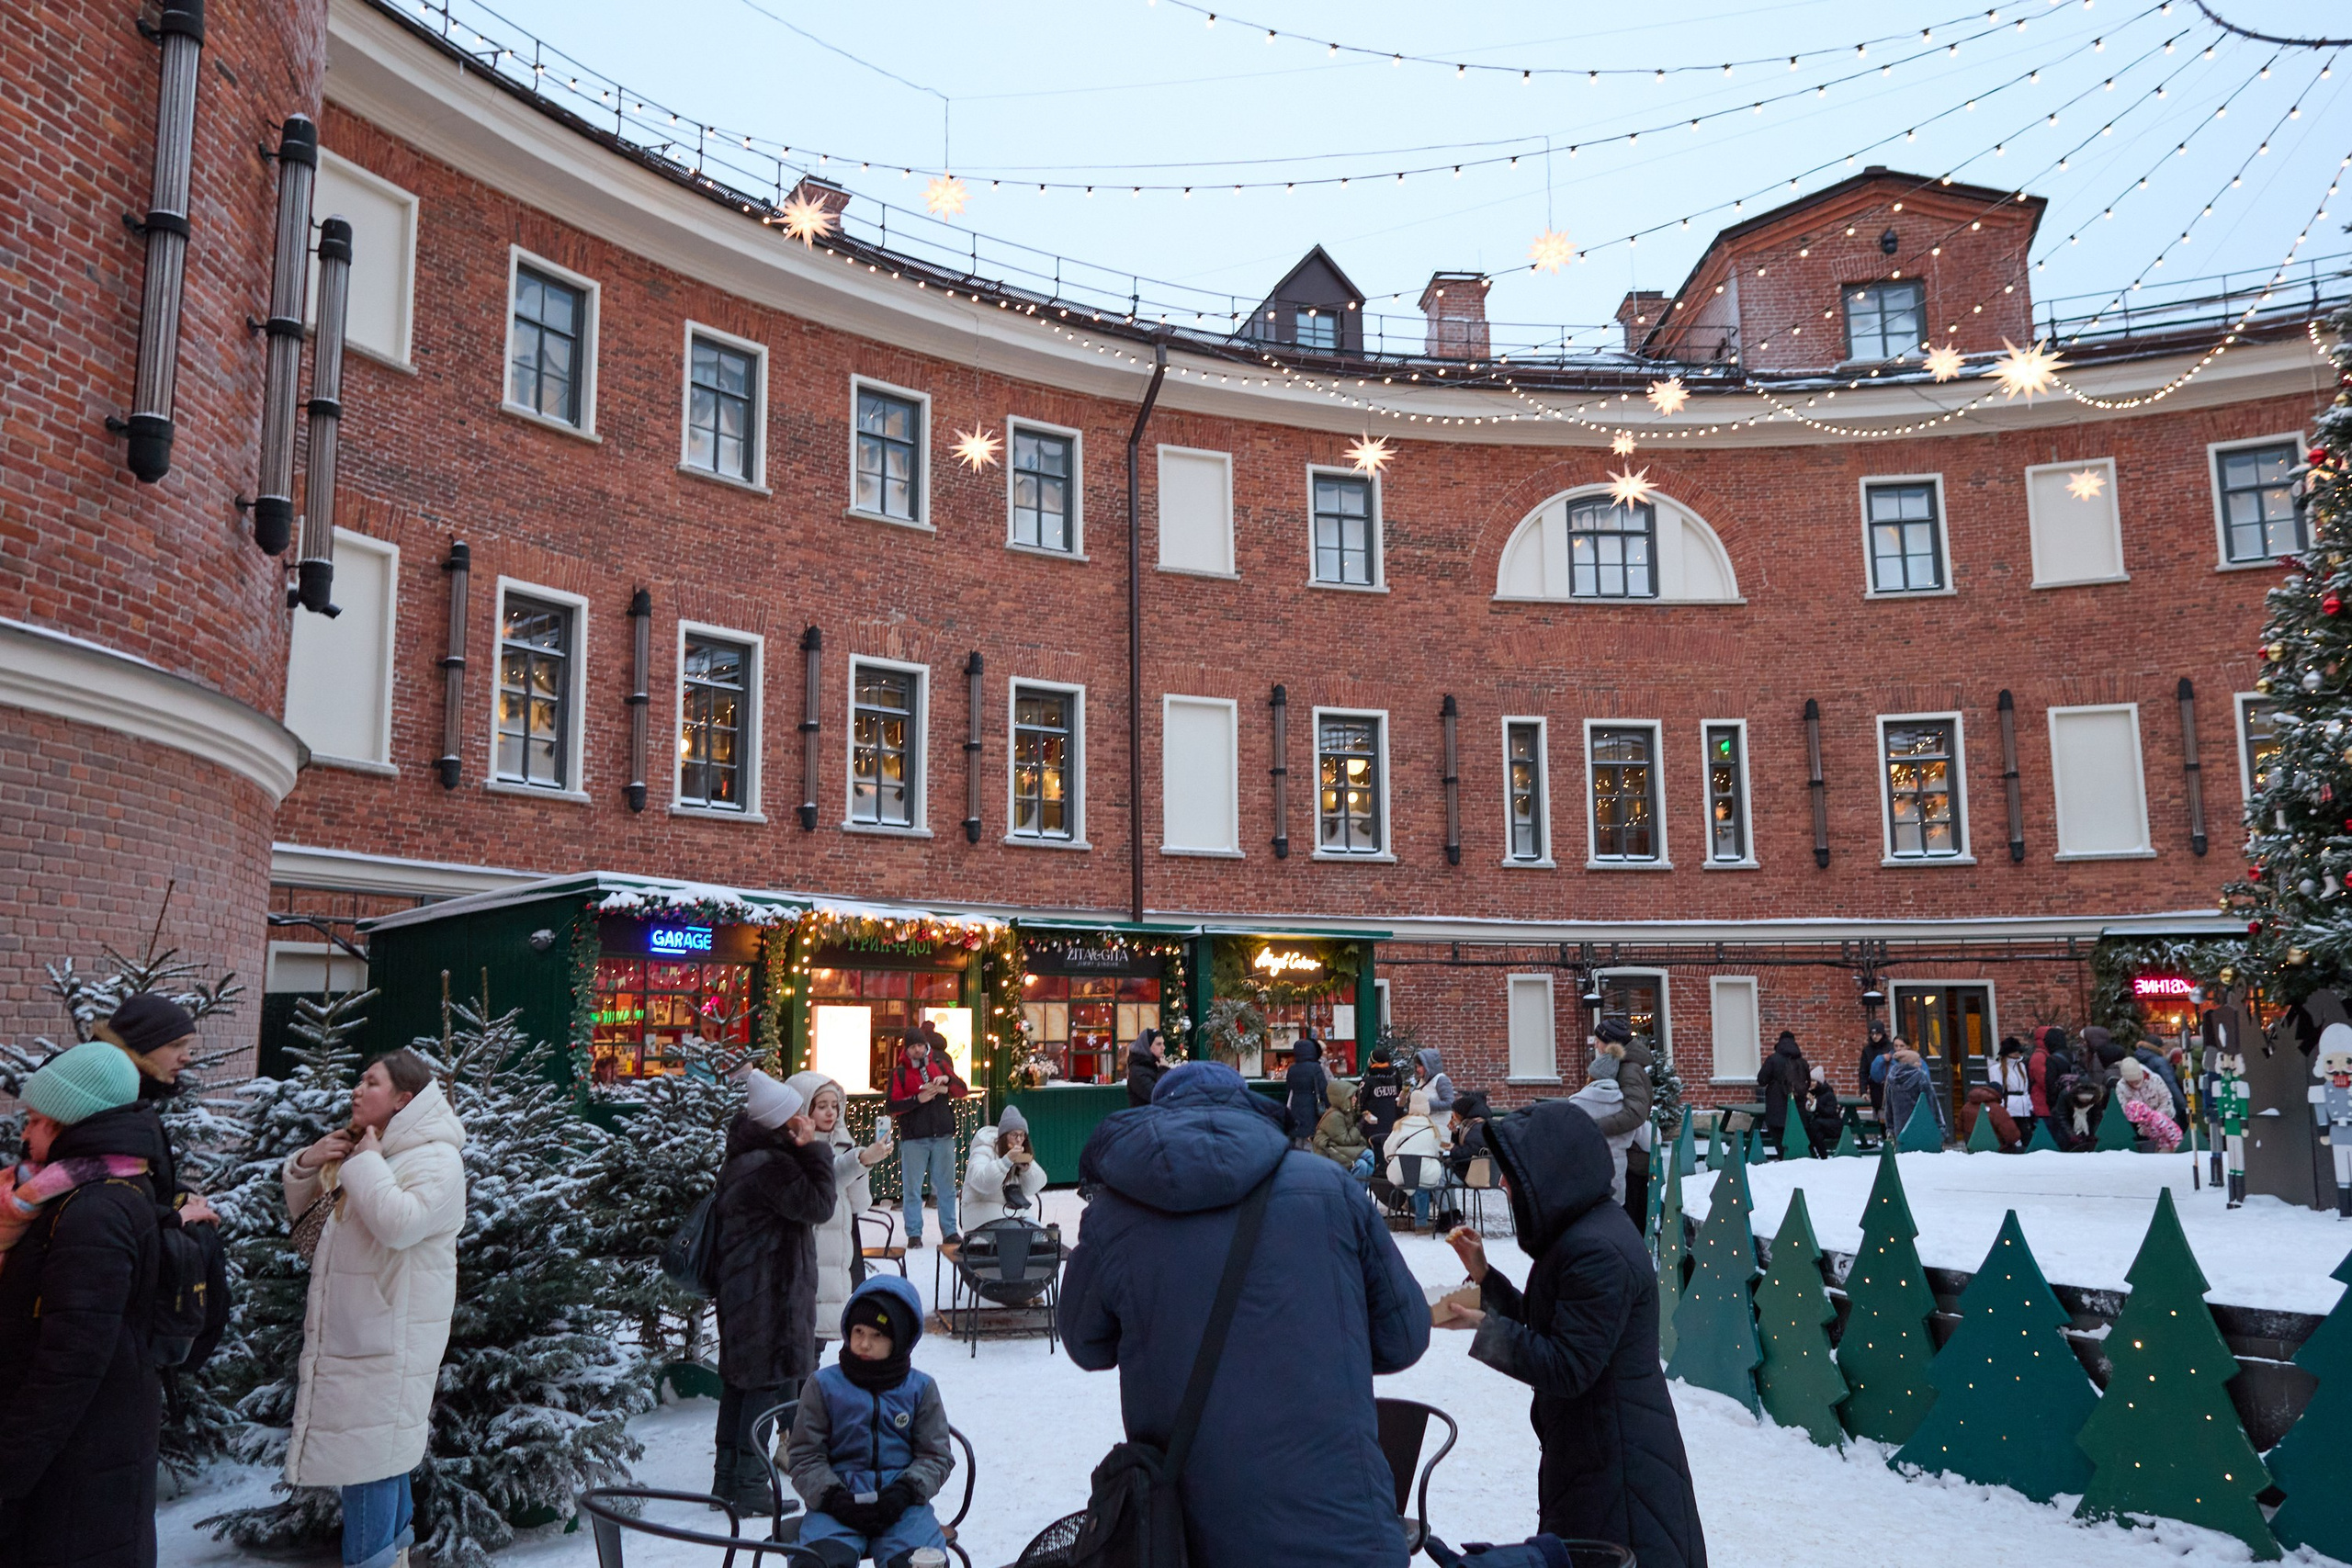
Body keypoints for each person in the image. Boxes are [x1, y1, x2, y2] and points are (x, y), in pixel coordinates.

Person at [1059, 1061, 1429, 1568]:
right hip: (1345, 1534)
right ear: (1249, 1108)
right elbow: (1404, 1337)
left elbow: (1085, 1343)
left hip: (1191, 1540)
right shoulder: (1331, 1189)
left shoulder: (1113, 1214)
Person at [1438, 1100, 1707, 1568]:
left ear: (1549, 1174)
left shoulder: (1596, 1251)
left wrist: (1489, 1328)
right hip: (1593, 1451)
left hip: (1619, 1467)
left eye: (1512, 1175)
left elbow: (1569, 1367)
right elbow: (1552, 1326)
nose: (1503, 1183)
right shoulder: (1583, 1233)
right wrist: (1484, 1276)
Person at [283, 1048, 467, 1568]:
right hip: (359, 1333)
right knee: (382, 1458)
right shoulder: (378, 1155)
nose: (357, 1090)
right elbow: (315, 1238)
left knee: (371, 1463)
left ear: (404, 1099)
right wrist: (308, 1165)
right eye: (360, 1080)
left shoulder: (435, 1158)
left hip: (391, 1336)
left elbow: (401, 1224)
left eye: (372, 1082)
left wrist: (363, 1164)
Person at [0, 1041, 165, 1568]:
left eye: (36, 1120)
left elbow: (71, 1362)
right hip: (87, 1448)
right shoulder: (105, 1184)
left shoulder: (92, 1211)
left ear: (70, 1123)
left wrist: (8, 1472)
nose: (24, 1134)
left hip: (77, 1462)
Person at [708, 1068, 834, 1517]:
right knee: (761, 1389)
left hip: (745, 1291)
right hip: (769, 1295)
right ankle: (747, 1485)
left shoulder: (745, 1158)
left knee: (740, 1388)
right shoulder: (772, 1166)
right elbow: (820, 1205)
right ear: (783, 1122)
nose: (805, 1117)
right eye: (797, 1113)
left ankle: (727, 1481)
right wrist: (815, 1148)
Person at [786, 1276, 953, 1568]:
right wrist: (832, 1497)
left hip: (902, 1505)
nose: (863, 1343)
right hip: (837, 1503)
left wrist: (905, 1492)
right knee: (817, 1565)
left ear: (898, 1339)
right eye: (858, 1331)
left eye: (877, 1335)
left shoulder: (920, 1388)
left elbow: (935, 1455)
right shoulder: (823, 1385)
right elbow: (804, 1455)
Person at [780, 1070, 890, 1344]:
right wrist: (860, 1160)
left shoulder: (844, 1143)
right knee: (801, 1341)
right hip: (808, 1249)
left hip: (837, 1253)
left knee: (815, 1346)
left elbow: (859, 1204)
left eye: (834, 1106)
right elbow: (822, 1184)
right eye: (821, 1106)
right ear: (804, 1108)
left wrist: (862, 1164)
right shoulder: (793, 1147)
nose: (830, 1113)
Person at [96, 991, 221, 1234]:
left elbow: (144, 1182)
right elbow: (106, 1204)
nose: (186, 1057)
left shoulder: (135, 1099)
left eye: (187, 1045)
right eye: (175, 1045)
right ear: (139, 1047)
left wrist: (180, 1195)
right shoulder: (106, 1107)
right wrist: (173, 1218)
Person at [884, 1029, 967, 1250]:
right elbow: (892, 1106)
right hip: (914, 1138)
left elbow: (962, 1090)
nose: (918, 1049)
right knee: (912, 1189)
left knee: (947, 1188)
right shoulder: (899, 1073)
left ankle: (950, 1232)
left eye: (920, 1045)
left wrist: (947, 1081)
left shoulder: (939, 1065)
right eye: (913, 1047)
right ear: (907, 1050)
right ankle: (914, 1234)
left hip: (942, 1135)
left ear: (926, 1045)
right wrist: (917, 1099)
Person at [1568, 1054, 1649, 1203]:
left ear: (1592, 1076)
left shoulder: (1576, 1103)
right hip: (1616, 1172)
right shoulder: (1623, 1106)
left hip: (1585, 1170)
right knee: (1613, 1213)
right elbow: (1648, 1141)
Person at [961, 1105, 1047, 1228]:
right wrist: (1005, 1162)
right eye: (1014, 1135)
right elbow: (982, 1182)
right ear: (1003, 1136)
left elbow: (1033, 1188)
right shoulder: (983, 1150)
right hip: (980, 1211)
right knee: (1017, 1231)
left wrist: (1028, 1170)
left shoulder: (1020, 1154)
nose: (1018, 1140)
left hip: (1011, 1212)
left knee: (1038, 1234)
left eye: (1022, 1135)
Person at [1384, 1089, 1451, 1229]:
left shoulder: (1400, 1125)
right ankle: (1421, 1223)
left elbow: (1387, 1149)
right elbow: (1435, 1151)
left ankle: (1410, 1206)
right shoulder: (1432, 1127)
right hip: (1423, 1171)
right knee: (1423, 1183)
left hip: (1401, 1171)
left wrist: (1394, 1159)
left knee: (1411, 1179)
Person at [1756, 1030, 1810, 1145]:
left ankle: (1782, 1159)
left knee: (1780, 1141)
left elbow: (1761, 1080)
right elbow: (1808, 1082)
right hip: (1798, 1110)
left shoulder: (1773, 1060)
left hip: (1776, 1109)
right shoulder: (1802, 1062)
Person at [1881, 1046, 1943, 1145]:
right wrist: (1939, 1126)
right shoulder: (1921, 1076)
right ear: (1911, 1064)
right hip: (1920, 1125)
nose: (1920, 1063)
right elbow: (1931, 1103)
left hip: (1900, 1129)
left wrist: (1890, 1129)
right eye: (1917, 1061)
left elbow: (1888, 1107)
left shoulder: (1891, 1079)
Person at [1313, 1076, 1374, 1175]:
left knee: (1364, 1163)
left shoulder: (1346, 1112)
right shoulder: (1334, 1116)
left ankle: (1360, 1189)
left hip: (1338, 1148)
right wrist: (1360, 1125)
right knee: (1366, 1158)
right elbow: (1346, 1140)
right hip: (1329, 1151)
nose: (1355, 1099)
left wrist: (1359, 1117)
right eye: (1353, 1096)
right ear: (1344, 1098)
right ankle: (1355, 1189)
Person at [1283, 1034, 1329, 1147]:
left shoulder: (1292, 1069)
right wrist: (1328, 1105)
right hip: (1312, 1106)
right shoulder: (1315, 1067)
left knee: (1298, 1137)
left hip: (1296, 1105)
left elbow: (1289, 1089)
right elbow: (1323, 1088)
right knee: (1310, 1139)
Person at [1359, 1041, 1408, 1149]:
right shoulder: (1394, 1078)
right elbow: (1399, 1099)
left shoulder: (1368, 1081)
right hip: (1391, 1124)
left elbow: (1360, 1103)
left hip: (1372, 1127)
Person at [2027, 1026, 2072, 1123]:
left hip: (2048, 1103)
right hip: (2043, 1104)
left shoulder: (2047, 1055)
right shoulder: (2039, 1056)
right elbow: (2044, 1081)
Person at [1994, 1036, 2034, 1140]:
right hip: (2008, 1108)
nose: (2018, 1054)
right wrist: (2001, 1107)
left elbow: (2025, 1089)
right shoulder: (1997, 1069)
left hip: (2023, 1108)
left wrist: (2029, 1106)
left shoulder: (2021, 1067)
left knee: (2026, 1136)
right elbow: (1997, 1091)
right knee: (2011, 1137)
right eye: (2014, 1051)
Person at [2052, 1078, 2108, 1152]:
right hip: (2067, 1128)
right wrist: (2071, 1134)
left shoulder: (2096, 1099)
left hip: (2087, 1126)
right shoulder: (2065, 1095)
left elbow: (2097, 1117)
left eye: (2088, 1100)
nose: (2085, 1102)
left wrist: (2094, 1133)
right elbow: (2061, 1117)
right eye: (2083, 1099)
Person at [1959, 1086, 2021, 1150]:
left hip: (1972, 1148)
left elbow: (1960, 1127)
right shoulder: (1997, 1109)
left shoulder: (1966, 1107)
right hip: (1996, 1149)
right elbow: (2011, 1134)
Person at [1124, 1026, 1167, 1110]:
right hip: (1145, 1118)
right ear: (1147, 1046)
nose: (1163, 1048)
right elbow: (1157, 1095)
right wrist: (1164, 1070)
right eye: (1158, 1044)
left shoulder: (1157, 1064)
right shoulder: (1137, 1071)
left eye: (1163, 1043)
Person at [1804, 1066, 1844, 1156]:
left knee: (1815, 1125)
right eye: (1810, 1081)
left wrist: (1815, 1103)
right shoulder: (1812, 1093)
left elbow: (1829, 1112)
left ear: (1819, 1082)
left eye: (1814, 1081)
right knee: (1817, 1135)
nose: (1811, 1084)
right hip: (1821, 1127)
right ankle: (1820, 1157)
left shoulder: (1829, 1094)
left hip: (1833, 1126)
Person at [1414, 1047, 1457, 1121]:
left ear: (1428, 1065)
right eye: (1416, 1066)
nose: (1418, 1069)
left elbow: (1450, 1103)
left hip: (1439, 1125)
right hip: (1425, 1123)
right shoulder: (1423, 1080)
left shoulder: (1441, 1080)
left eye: (1420, 1066)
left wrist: (1426, 1105)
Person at [1860, 1020, 1893, 1114]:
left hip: (1890, 1086)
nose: (1874, 1036)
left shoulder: (1890, 1047)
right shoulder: (1867, 1050)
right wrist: (1863, 1091)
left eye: (1877, 1033)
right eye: (1872, 1034)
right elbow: (1863, 1072)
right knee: (1879, 1116)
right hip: (1875, 1088)